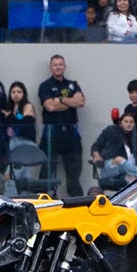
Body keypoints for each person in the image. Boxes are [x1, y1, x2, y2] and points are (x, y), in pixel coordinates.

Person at [37, 54, 86, 197]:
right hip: (52, 134)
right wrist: (71, 102)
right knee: (46, 177)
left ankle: (79, 208)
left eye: (61, 64)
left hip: (71, 135)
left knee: (74, 178)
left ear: (64, 66)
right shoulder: (45, 86)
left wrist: (60, 99)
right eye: (55, 65)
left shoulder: (73, 84)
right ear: (51, 67)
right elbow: (50, 107)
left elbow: (81, 103)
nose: (58, 67)